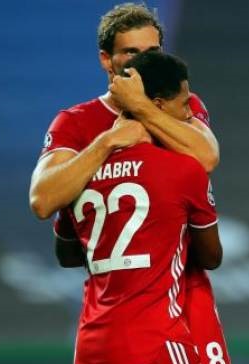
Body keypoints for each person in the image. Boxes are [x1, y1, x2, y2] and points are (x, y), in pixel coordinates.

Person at [31, 4, 230, 363]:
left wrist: (141, 106)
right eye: (130, 53)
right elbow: (43, 200)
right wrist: (108, 141)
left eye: (152, 53)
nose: (141, 63)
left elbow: (207, 157)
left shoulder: (180, 104)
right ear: (107, 60)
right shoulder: (76, 122)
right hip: (117, 300)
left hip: (184, 291)